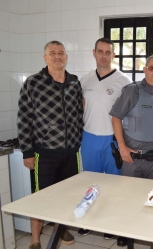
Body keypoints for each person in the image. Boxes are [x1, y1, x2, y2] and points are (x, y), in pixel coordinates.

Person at [17, 41, 83, 249]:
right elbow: (24, 118)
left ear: (66, 57)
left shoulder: (74, 82)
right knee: (40, 198)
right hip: (43, 153)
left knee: (67, 195)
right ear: (45, 58)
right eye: (52, 53)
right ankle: (35, 240)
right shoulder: (33, 83)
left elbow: (79, 113)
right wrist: (28, 152)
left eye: (61, 53)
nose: (57, 56)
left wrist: (76, 140)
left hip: (70, 152)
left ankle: (60, 229)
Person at [77, 38, 131, 244]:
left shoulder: (123, 81)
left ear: (113, 55)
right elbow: (80, 107)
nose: (104, 55)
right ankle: (89, 220)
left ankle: (110, 224)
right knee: (90, 182)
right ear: (94, 53)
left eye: (108, 52)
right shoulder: (85, 80)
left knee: (113, 183)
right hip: (89, 137)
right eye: (100, 51)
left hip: (113, 140)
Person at [110, 55, 153, 180]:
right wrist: (122, 148)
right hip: (132, 158)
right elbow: (116, 118)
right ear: (145, 70)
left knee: (152, 197)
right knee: (129, 196)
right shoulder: (132, 91)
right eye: (152, 67)